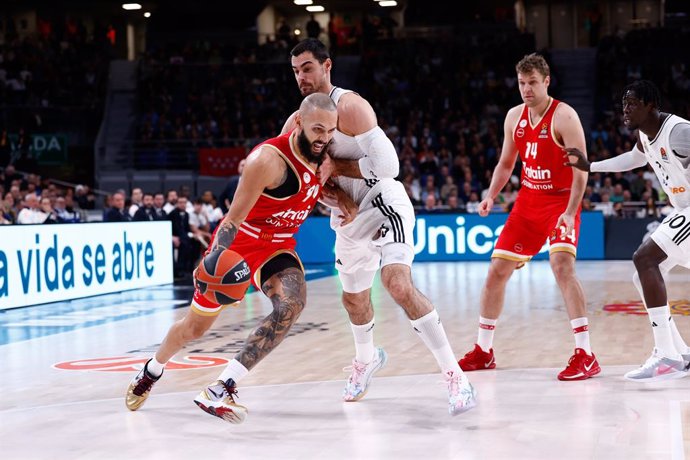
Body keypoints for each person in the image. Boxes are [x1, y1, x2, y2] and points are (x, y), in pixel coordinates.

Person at [125, 93, 356, 424]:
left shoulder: (324, 151)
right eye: (319, 129)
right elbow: (232, 220)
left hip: (278, 247)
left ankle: (222, 386)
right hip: (239, 246)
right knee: (194, 328)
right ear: (300, 122)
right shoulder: (267, 161)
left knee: (292, 305)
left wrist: (343, 195)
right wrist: (212, 259)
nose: (325, 138)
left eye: (331, 131)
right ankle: (153, 369)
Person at [282, 38, 476, 415]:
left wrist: (336, 168)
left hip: (383, 200)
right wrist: (337, 197)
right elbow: (310, 181)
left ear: (327, 66)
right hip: (347, 218)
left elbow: (388, 168)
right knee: (353, 299)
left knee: (397, 284)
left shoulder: (351, 106)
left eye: (307, 68)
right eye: (295, 72)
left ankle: (455, 376)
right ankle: (366, 360)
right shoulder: (296, 124)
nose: (301, 77)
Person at [458, 53, 600, 381]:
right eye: (522, 83)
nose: (526, 89)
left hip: (561, 202)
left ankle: (586, 354)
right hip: (527, 202)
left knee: (562, 266)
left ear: (546, 81)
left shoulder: (565, 116)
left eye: (532, 82)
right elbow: (507, 164)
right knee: (496, 271)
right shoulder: (513, 117)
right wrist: (491, 195)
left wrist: (569, 212)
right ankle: (484, 350)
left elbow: (581, 172)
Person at [565, 80, 690, 382]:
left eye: (632, 103)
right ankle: (680, 353)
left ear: (651, 105)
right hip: (682, 210)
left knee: (644, 259)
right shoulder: (646, 137)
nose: (625, 109)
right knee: (643, 272)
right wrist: (590, 166)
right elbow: (635, 158)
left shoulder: (679, 132)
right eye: (623, 103)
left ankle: (666, 356)